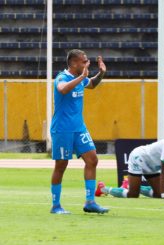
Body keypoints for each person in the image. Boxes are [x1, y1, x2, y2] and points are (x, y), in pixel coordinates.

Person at [50, 49, 109, 214]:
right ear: (74, 63)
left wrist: (101, 74)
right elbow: (62, 89)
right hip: (62, 129)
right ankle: (56, 206)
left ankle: (90, 202)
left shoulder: (80, 79)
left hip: (79, 128)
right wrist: (82, 77)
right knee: (61, 165)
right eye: (84, 61)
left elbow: (92, 84)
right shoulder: (62, 78)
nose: (86, 64)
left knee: (92, 160)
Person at [95, 139, 164, 199]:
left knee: (157, 195)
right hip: (139, 158)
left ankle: (128, 185)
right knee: (133, 195)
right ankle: (103, 189)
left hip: (152, 166)